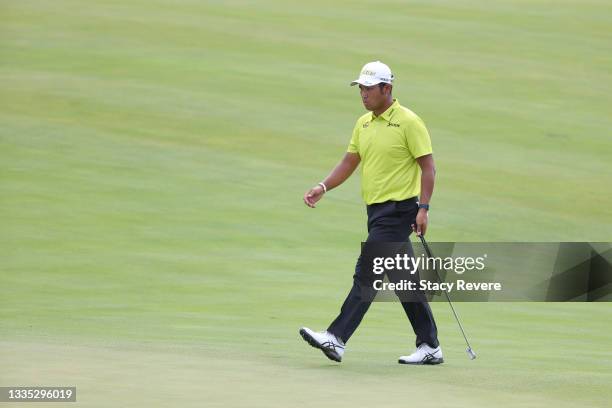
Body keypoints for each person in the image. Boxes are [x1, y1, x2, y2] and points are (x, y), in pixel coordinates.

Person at [299, 61, 443, 365]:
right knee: (405, 281)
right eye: (360, 88)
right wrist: (323, 187)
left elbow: (427, 167)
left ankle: (336, 338)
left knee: (367, 271)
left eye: (368, 88)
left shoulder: (409, 122)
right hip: (376, 211)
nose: (363, 94)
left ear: (386, 89)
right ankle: (430, 345)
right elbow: (350, 161)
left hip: (400, 210)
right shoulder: (363, 123)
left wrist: (424, 208)